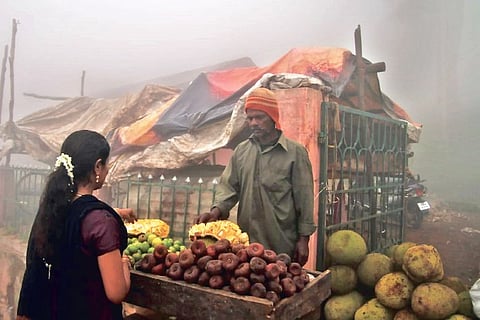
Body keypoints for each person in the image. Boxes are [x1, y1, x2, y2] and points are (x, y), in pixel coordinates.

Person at [16, 130, 135, 320]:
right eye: (106, 164)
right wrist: (123, 264)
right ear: (97, 166)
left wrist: (116, 212)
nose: (106, 170)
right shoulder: (100, 221)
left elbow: (77, 218)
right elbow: (116, 292)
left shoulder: (53, 208)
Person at [196, 87, 317, 266]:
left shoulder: (295, 153)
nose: (253, 123)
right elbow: (229, 188)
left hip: (281, 242)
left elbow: (304, 199)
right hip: (246, 245)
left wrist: (304, 240)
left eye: (259, 117)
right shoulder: (241, 151)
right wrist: (216, 211)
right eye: (250, 118)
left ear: (273, 117)